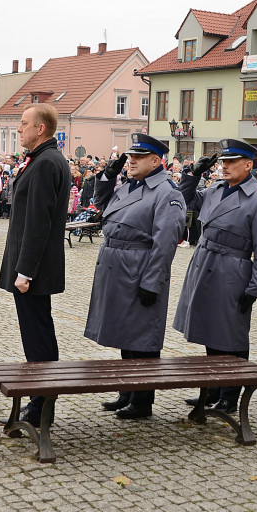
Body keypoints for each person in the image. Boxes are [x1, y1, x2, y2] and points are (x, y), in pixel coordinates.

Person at [84, 133, 186, 420]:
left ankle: (142, 401)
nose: (130, 161)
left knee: (142, 338)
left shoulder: (167, 193)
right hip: (118, 266)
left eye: (137, 157)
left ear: (156, 161)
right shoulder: (131, 185)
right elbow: (102, 207)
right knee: (125, 334)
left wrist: (152, 281)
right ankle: (127, 391)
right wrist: (107, 175)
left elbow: (165, 243)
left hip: (139, 268)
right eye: (130, 156)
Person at [173, 139, 257, 415]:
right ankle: (211, 390)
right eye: (223, 162)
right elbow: (186, 199)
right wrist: (193, 175)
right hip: (205, 263)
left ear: (248, 165)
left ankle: (231, 395)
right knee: (210, 331)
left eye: (232, 162)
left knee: (231, 336)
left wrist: (255, 288)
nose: (225, 167)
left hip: (232, 270)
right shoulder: (216, 189)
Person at [0, 104, 71, 427]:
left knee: (38, 337)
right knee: (38, 333)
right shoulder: (44, 159)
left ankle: (42, 404)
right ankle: (41, 400)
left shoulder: (45, 163)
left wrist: (24, 272)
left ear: (41, 129)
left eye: (24, 124)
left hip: (33, 270)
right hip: (34, 267)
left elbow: (38, 222)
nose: (19, 129)